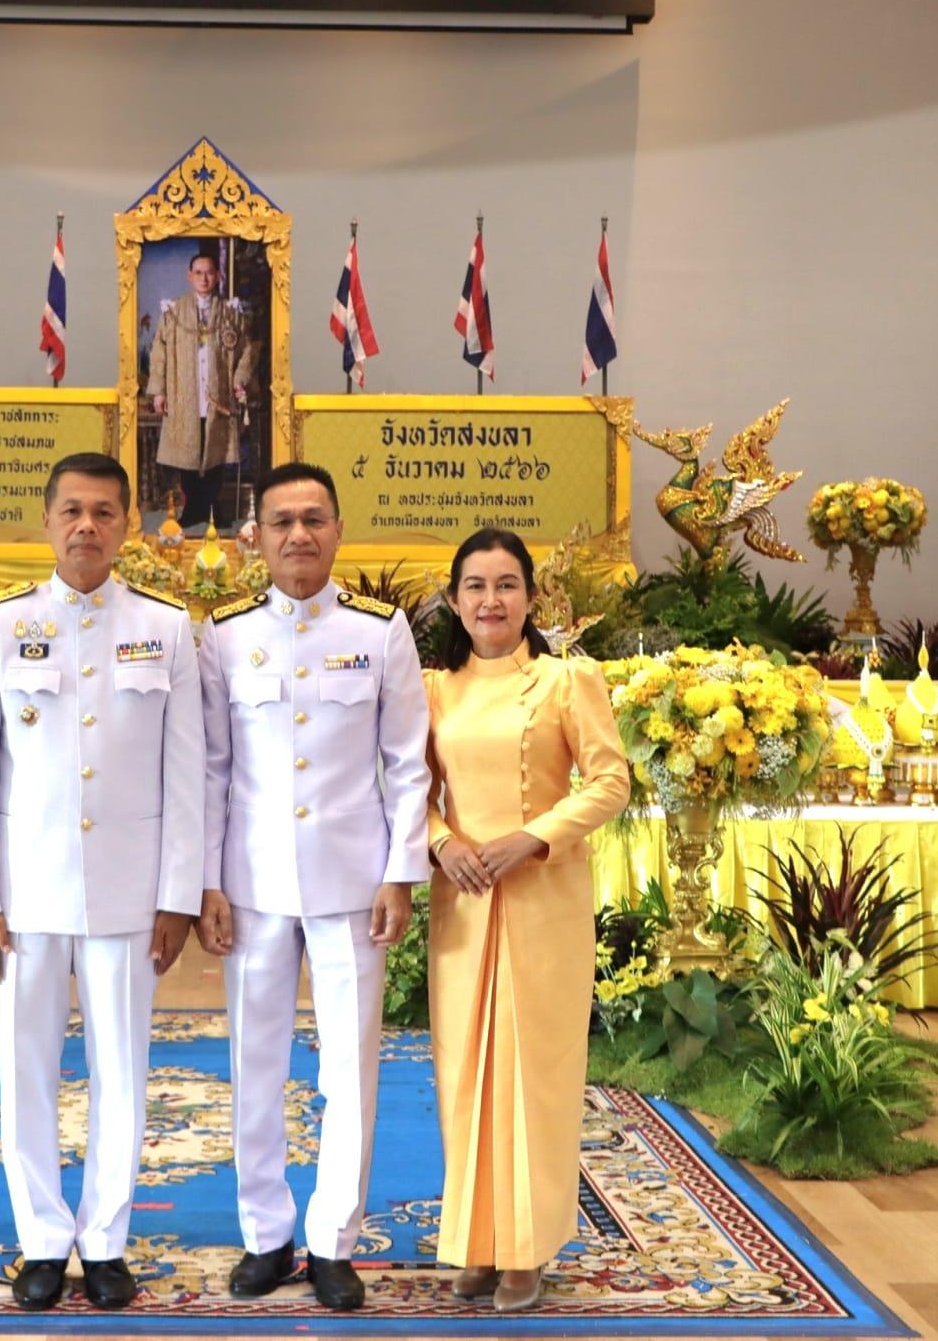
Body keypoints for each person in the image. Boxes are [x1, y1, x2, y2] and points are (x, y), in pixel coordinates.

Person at [0, 451, 205, 1312]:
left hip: (129, 891)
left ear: (128, 524)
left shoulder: (165, 626)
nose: (87, 526)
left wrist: (177, 895)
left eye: (104, 511)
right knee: (24, 1067)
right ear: (48, 521)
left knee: (121, 1070)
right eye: (72, 511)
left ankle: (103, 1242)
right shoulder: (0, 624)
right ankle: (39, 1241)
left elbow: (186, 772)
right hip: (25, 892)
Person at [196, 463, 430, 1312]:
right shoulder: (224, 635)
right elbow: (211, 768)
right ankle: (265, 1233)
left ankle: (334, 1240)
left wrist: (401, 871)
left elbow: (407, 764)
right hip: (253, 883)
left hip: (351, 880)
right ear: (255, 536)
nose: (299, 534)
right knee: (254, 1063)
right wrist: (208, 881)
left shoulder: (380, 630)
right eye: (282, 521)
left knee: (350, 1068)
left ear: (337, 530)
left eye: (314, 519)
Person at [422, 527, 629, 1314]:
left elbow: (609, 782)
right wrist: (442, 843)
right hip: (465, 900)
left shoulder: (567, 679)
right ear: (453, 600)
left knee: (535, 1072)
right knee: (463, 1069)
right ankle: (478, 1243)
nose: (491, 600)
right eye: (475, 586)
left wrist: (533, 837)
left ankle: (528, 1249)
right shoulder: (434, 689)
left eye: (507, 585)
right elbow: (406, 789)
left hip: (544, 899)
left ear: (532, 597)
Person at [148, 251, 252, 529]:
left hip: (218, 396)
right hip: (184, 395)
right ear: (189, 276)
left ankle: (213, 507)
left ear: (217, 276)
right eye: (198, 273)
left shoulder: (230, 312)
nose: (204, 278)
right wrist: (159, 391)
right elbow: (159, 352)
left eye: (209, 273)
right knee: (189, 451)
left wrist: (239, 380)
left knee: (216, 450)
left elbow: (245, 350)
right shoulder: (173, 312)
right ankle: (194, 507)